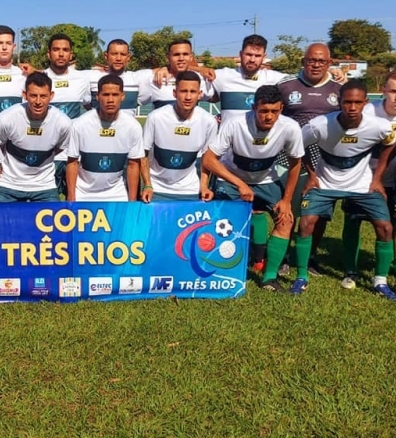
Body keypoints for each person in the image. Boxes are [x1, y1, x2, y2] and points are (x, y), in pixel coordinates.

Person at [294, 79, 396, 297]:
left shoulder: (378, 126)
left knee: (386, 228)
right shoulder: (318, 125)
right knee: (305, 223)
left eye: (357, 103)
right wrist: (311, 176)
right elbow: (297, 147)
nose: (352, 107)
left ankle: (380, 281)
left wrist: (377, 178)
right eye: (347, 102)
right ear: (339, 102)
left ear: (365, 103)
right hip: (324, 183)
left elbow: (389, 144)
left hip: (361, 185)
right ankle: (301, 276)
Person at [202, 85, 304, 292]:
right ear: (253, 107)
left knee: (286, 220)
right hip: (232, 179)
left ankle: (269, 277)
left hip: (266, 180)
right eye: (264, 111)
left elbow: (295, 164)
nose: (269, 117)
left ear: (281, 108)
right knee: (221, 223)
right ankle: (218, 268)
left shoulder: (290, 127)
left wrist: (286, 199)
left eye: (274, 111)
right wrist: (239, 184)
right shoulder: (235, 123)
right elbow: (209, 160)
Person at [277, 43, 343, 275]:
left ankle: (311, 256)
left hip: (327, 162)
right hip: (291, 160)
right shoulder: (286, 86)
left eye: (321, 61)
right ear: (303, 61)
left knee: (319, 212)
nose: (316, 65)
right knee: (289, 208)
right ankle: (283, 254)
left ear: (329, 62)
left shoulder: (339, 88)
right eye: (311, 60)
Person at [339, 70, 396, 289]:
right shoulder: (368, 112)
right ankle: (350, 269)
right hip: (362, 181)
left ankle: (384, 271)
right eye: (393, 91)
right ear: (383, 91)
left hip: (393, 181)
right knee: (353, 221)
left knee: (390, 226)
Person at [0, 72, 72, 202]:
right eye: (33, 96)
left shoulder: (63, 123)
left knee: (55, 221)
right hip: (9, 184)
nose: (38, 102)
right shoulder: (7, 118)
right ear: (25, 95)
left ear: (51, 96)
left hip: (45, 186)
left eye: (43, 96)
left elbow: (60, 148)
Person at [141, 71, 217, 202]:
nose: (188, 97)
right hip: (157, 189)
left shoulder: (209, 122)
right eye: (183, 91)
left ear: (199, 94)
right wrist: (147, 184)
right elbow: (143, 154)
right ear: (174, 93)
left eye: (193, 92)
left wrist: (203, 186)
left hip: (189, 190)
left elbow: (207, 159)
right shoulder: (155, 117)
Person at [66, 74, 144, 201]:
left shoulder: (132, 126)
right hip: (84, 195)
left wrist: (132, 201)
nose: (110, 100)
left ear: (122, 96)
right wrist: (71, 197)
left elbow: (133, 165)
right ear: (97, 96)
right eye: (106, 95)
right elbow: (72, 163)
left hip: (117, 194)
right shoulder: (80, 125)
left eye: (115, 95)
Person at [44, 33, 91, 195]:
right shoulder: (40, 79)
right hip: (50, 155)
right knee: (49, 201)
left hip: (74, 154)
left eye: (65, 50)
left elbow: (90, 107)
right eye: (56, 49)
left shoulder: (82, 79)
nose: (61, 53)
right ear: (48, 53)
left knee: (75, 199)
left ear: (71, 54)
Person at [137, 39, 214, 111]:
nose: (181, 58)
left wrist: (200, 69)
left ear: (191, 57)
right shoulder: (154, 79)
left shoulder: (200, 79)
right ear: (168, 57)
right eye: (176, 54)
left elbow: (215, 98)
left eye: (185, 54)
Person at [85, 39, 141, 114]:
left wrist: (162, 69)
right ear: (106, 56)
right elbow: (86, 103)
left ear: (128, 57)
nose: (118, 58)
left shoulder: (138, 79)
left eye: (123, 54)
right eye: (114, 54)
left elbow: (157, 72)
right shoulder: (90, 77)